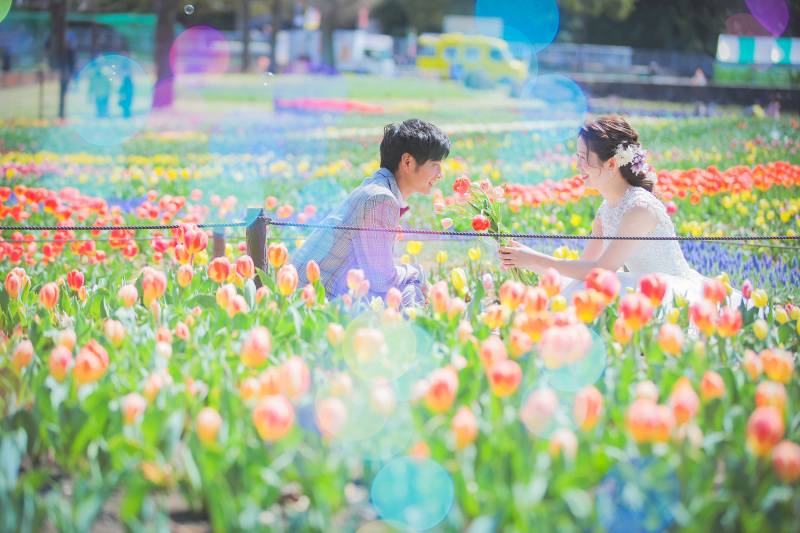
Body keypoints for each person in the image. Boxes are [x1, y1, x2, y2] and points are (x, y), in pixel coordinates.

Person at [497, 116, 744, 309]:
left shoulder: (640, 208)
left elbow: (601, 271)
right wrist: (525, 257)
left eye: (584, 158)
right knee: (580, 293)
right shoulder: (605, 211)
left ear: (612, 163)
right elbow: (583, 271)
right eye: (577, 157)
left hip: (672, 296)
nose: (578, 166)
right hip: (643, 291)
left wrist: (533, 259)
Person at [291, 118, 450, 310]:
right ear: (407, 162)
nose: (440, 173)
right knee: (411, 289)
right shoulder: (379, 198)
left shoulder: (376, 189)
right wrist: (418, 273)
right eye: (435, 164)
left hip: (319, 294)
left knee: (408, 290)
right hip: (313, 303)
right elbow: (381, 279)